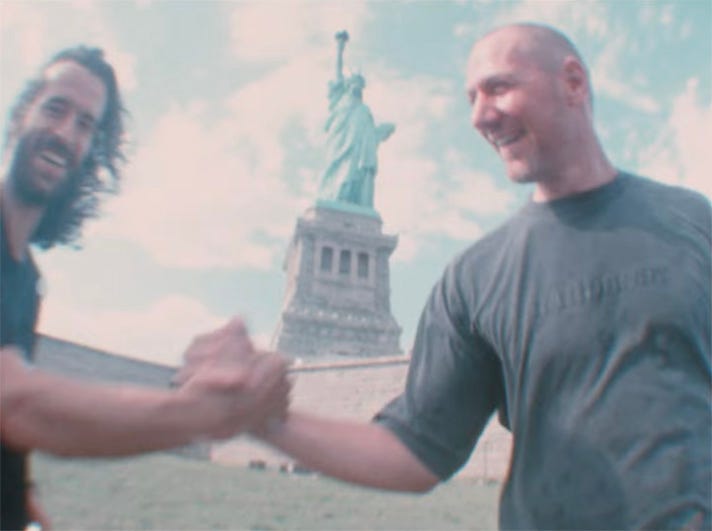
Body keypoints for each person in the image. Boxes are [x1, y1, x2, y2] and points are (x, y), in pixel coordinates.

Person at [205, 23, 708, 529]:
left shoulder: (693, 223)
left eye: (498, 88)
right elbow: (415, 449)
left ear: (573, 83)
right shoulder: (474, 279)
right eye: (472, 99)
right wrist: (260, 419)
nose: (479, 117)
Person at [0, 46, 291, 531]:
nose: (65, 133)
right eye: (55, 109)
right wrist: (205, 412)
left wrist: (23, 501)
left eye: (85, 125)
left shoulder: (27, 281)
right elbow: (16, 404)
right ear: (20, 115)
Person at [317, 31, 395, 209]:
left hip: (357, 150)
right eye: (354, 83)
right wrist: (340, 48)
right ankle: (335, 198)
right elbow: (337, 70)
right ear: (347, 85)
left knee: (353, 172)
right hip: (339, 144)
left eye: (360, 85)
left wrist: (381, 132)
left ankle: (350, 200)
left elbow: (370, 136)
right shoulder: (339, 100)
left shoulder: (364, 110)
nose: (357, 87)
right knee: (337, 170)